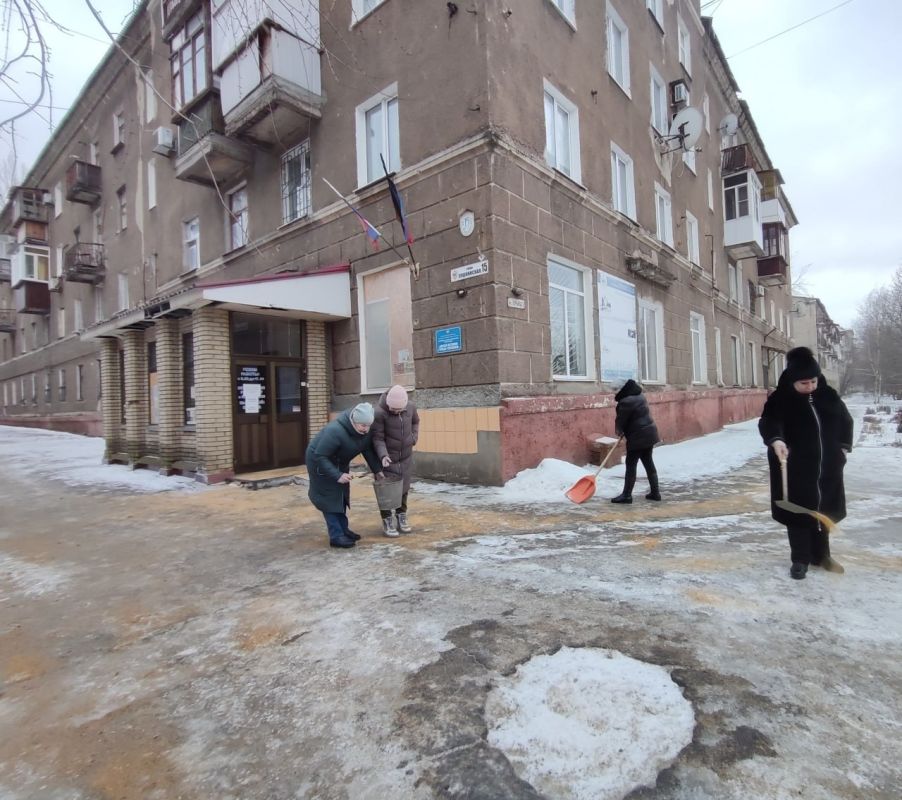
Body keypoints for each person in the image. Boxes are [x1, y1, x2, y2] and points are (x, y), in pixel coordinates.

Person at [758, 347, 853, 579]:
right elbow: (770, 421)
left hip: (827, 467)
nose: (810, 386)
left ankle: (822, 555)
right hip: (794, 467)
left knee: (824, 511)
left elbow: (845, 420)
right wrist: (776, 440)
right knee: (799, 513)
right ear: (792, 381)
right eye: (804, 383)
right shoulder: (780, 399)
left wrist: (842, 447)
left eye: (813, 381)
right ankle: (800, 559)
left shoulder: (828, 395)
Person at [305, 402, 383, 549]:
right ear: (353, 421)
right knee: (329, 498)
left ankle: (343, 529)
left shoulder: (365, 430)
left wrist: (377, 470)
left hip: (339, 463)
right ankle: (336, 536)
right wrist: (337, 475)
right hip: (320, 462)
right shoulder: (335, 431)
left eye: (368, 426)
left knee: (341, 495)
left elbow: (368, 451)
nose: (366, 429)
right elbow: (320, 456)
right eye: (362, 425)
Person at [371, 384, 420, 536]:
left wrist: (414, 437)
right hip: (387, 459)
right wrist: (383, 455)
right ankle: (387, 520)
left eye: (399, 410)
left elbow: (416, 421)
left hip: (405, 457)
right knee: (385, 490)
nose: (396, 412)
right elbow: (377, 438)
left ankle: (401, 516)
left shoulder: (410, 407)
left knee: (404, 488)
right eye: (393, 409)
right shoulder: (379, 413)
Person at [610, 379, 661, 504]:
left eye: (615, 390)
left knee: (631, 465)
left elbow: (621, 420)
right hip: (649, 433)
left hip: (638, 437)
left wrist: (619, 430)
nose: (613, 393)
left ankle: (627, 496)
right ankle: (655, 493)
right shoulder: (639, 396)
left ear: (622, 389)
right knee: (648, 463)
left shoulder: (625, 401)